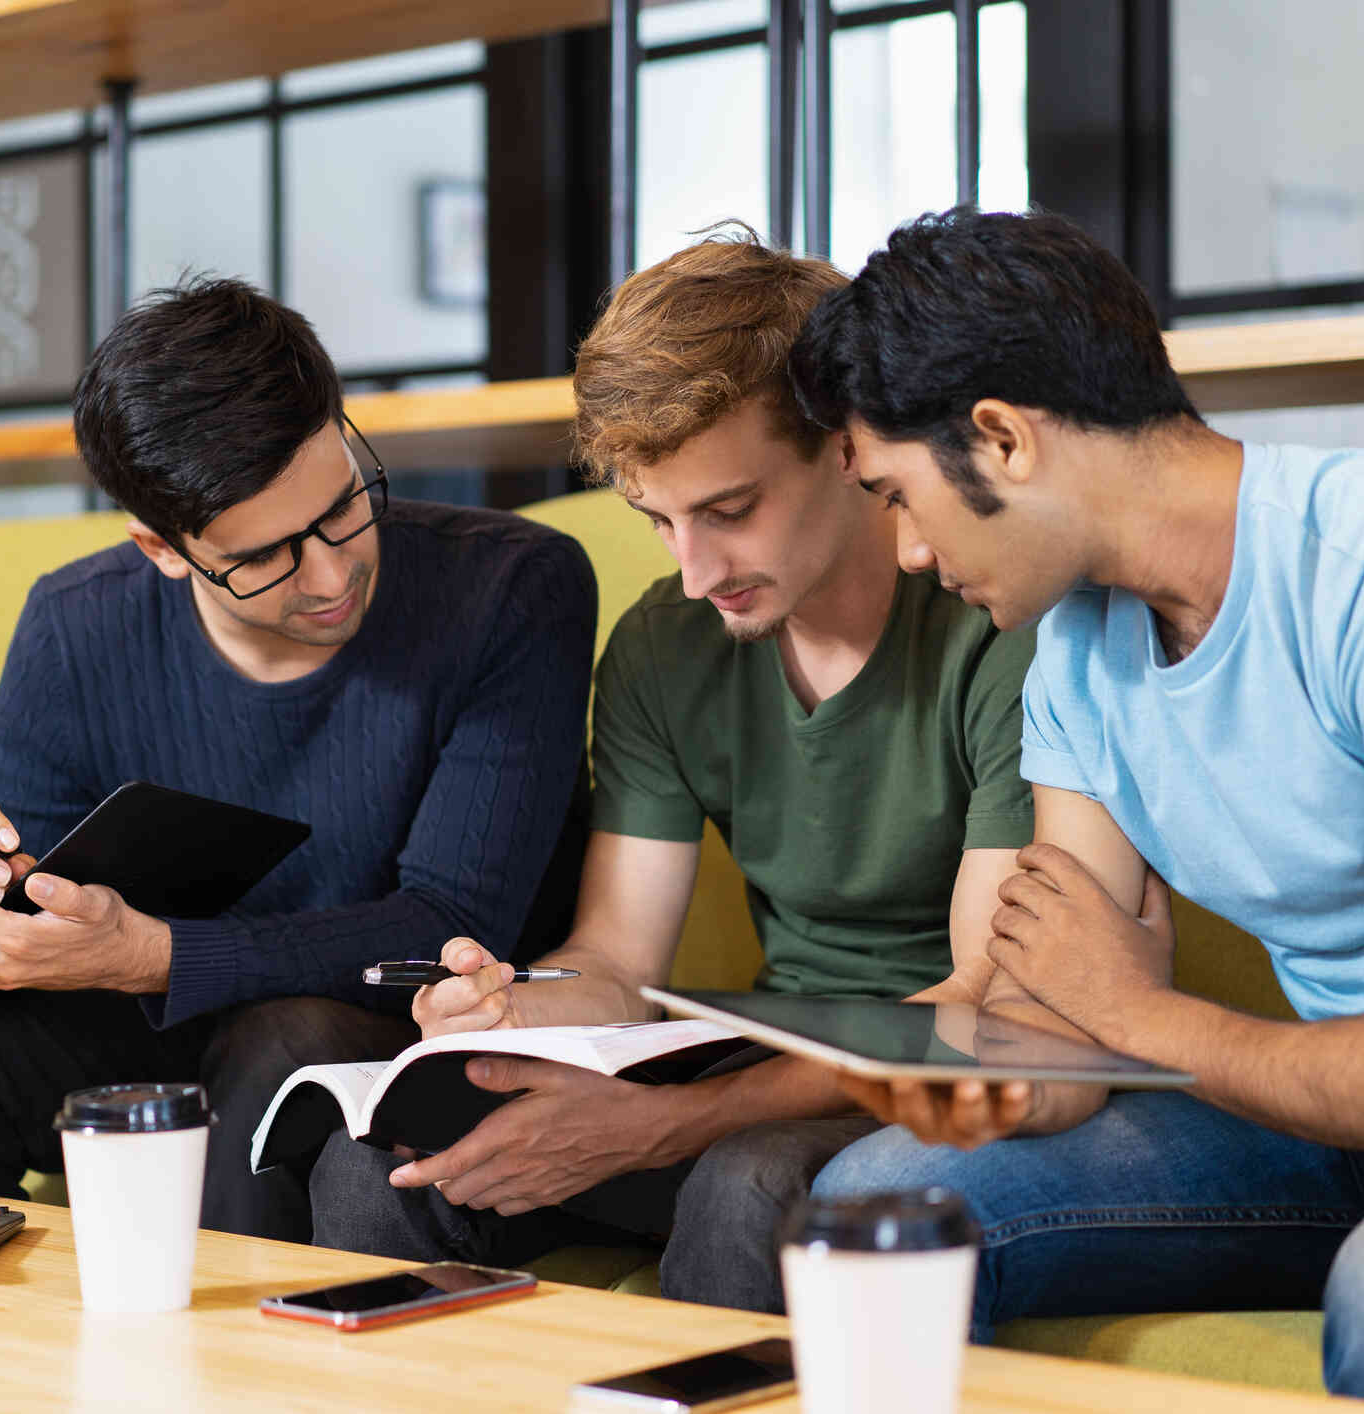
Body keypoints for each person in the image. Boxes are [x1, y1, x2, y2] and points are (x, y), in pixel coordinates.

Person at [790, 206, 1364, 1413]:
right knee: (885, 1195)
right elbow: (1060, 1007)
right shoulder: (1076, 657)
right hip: (1342, 1129)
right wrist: (983, 1078)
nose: (904, 552)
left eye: (899, 495)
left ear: (1000, 439)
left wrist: (1137, 1013)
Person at [307, 228, 1038, 1313]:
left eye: (728, 512)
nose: (695, 573)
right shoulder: (665, 644)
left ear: (847, 445)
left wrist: (670, 1121)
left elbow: (980, 1009)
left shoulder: (993, 618)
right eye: (658, 520)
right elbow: (615, 955)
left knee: (747, 1184)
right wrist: (513, 1006)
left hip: (933, 1091)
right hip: (762, 1064)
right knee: (380, 1165)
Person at [0, 277, 596, 1244]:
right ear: (163, 550)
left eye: (344, 508)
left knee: (283, 1045)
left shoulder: (512, 588)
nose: (332, 576)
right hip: (157, 1019)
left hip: (399, 1026)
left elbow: (454, 921)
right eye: (264, 558)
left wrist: (153, 954)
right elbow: (40, 889)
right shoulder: (76, 623)